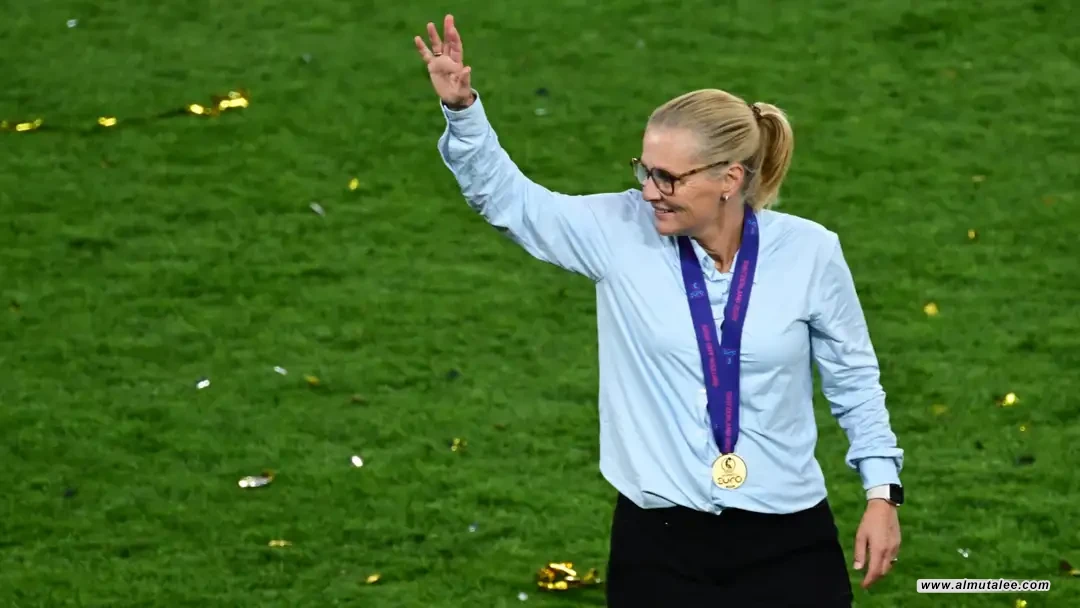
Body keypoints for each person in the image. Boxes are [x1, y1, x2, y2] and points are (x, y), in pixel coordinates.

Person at [414, 14, 904, 607]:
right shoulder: (618, 232)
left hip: (788, 538)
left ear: (728, 179)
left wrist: (882, 494)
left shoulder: (811, 252)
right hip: (659, 547)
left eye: (667, 178)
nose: (649, 191)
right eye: (645, 171)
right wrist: (463, 111)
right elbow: (508, 201)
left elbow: (854, 378)